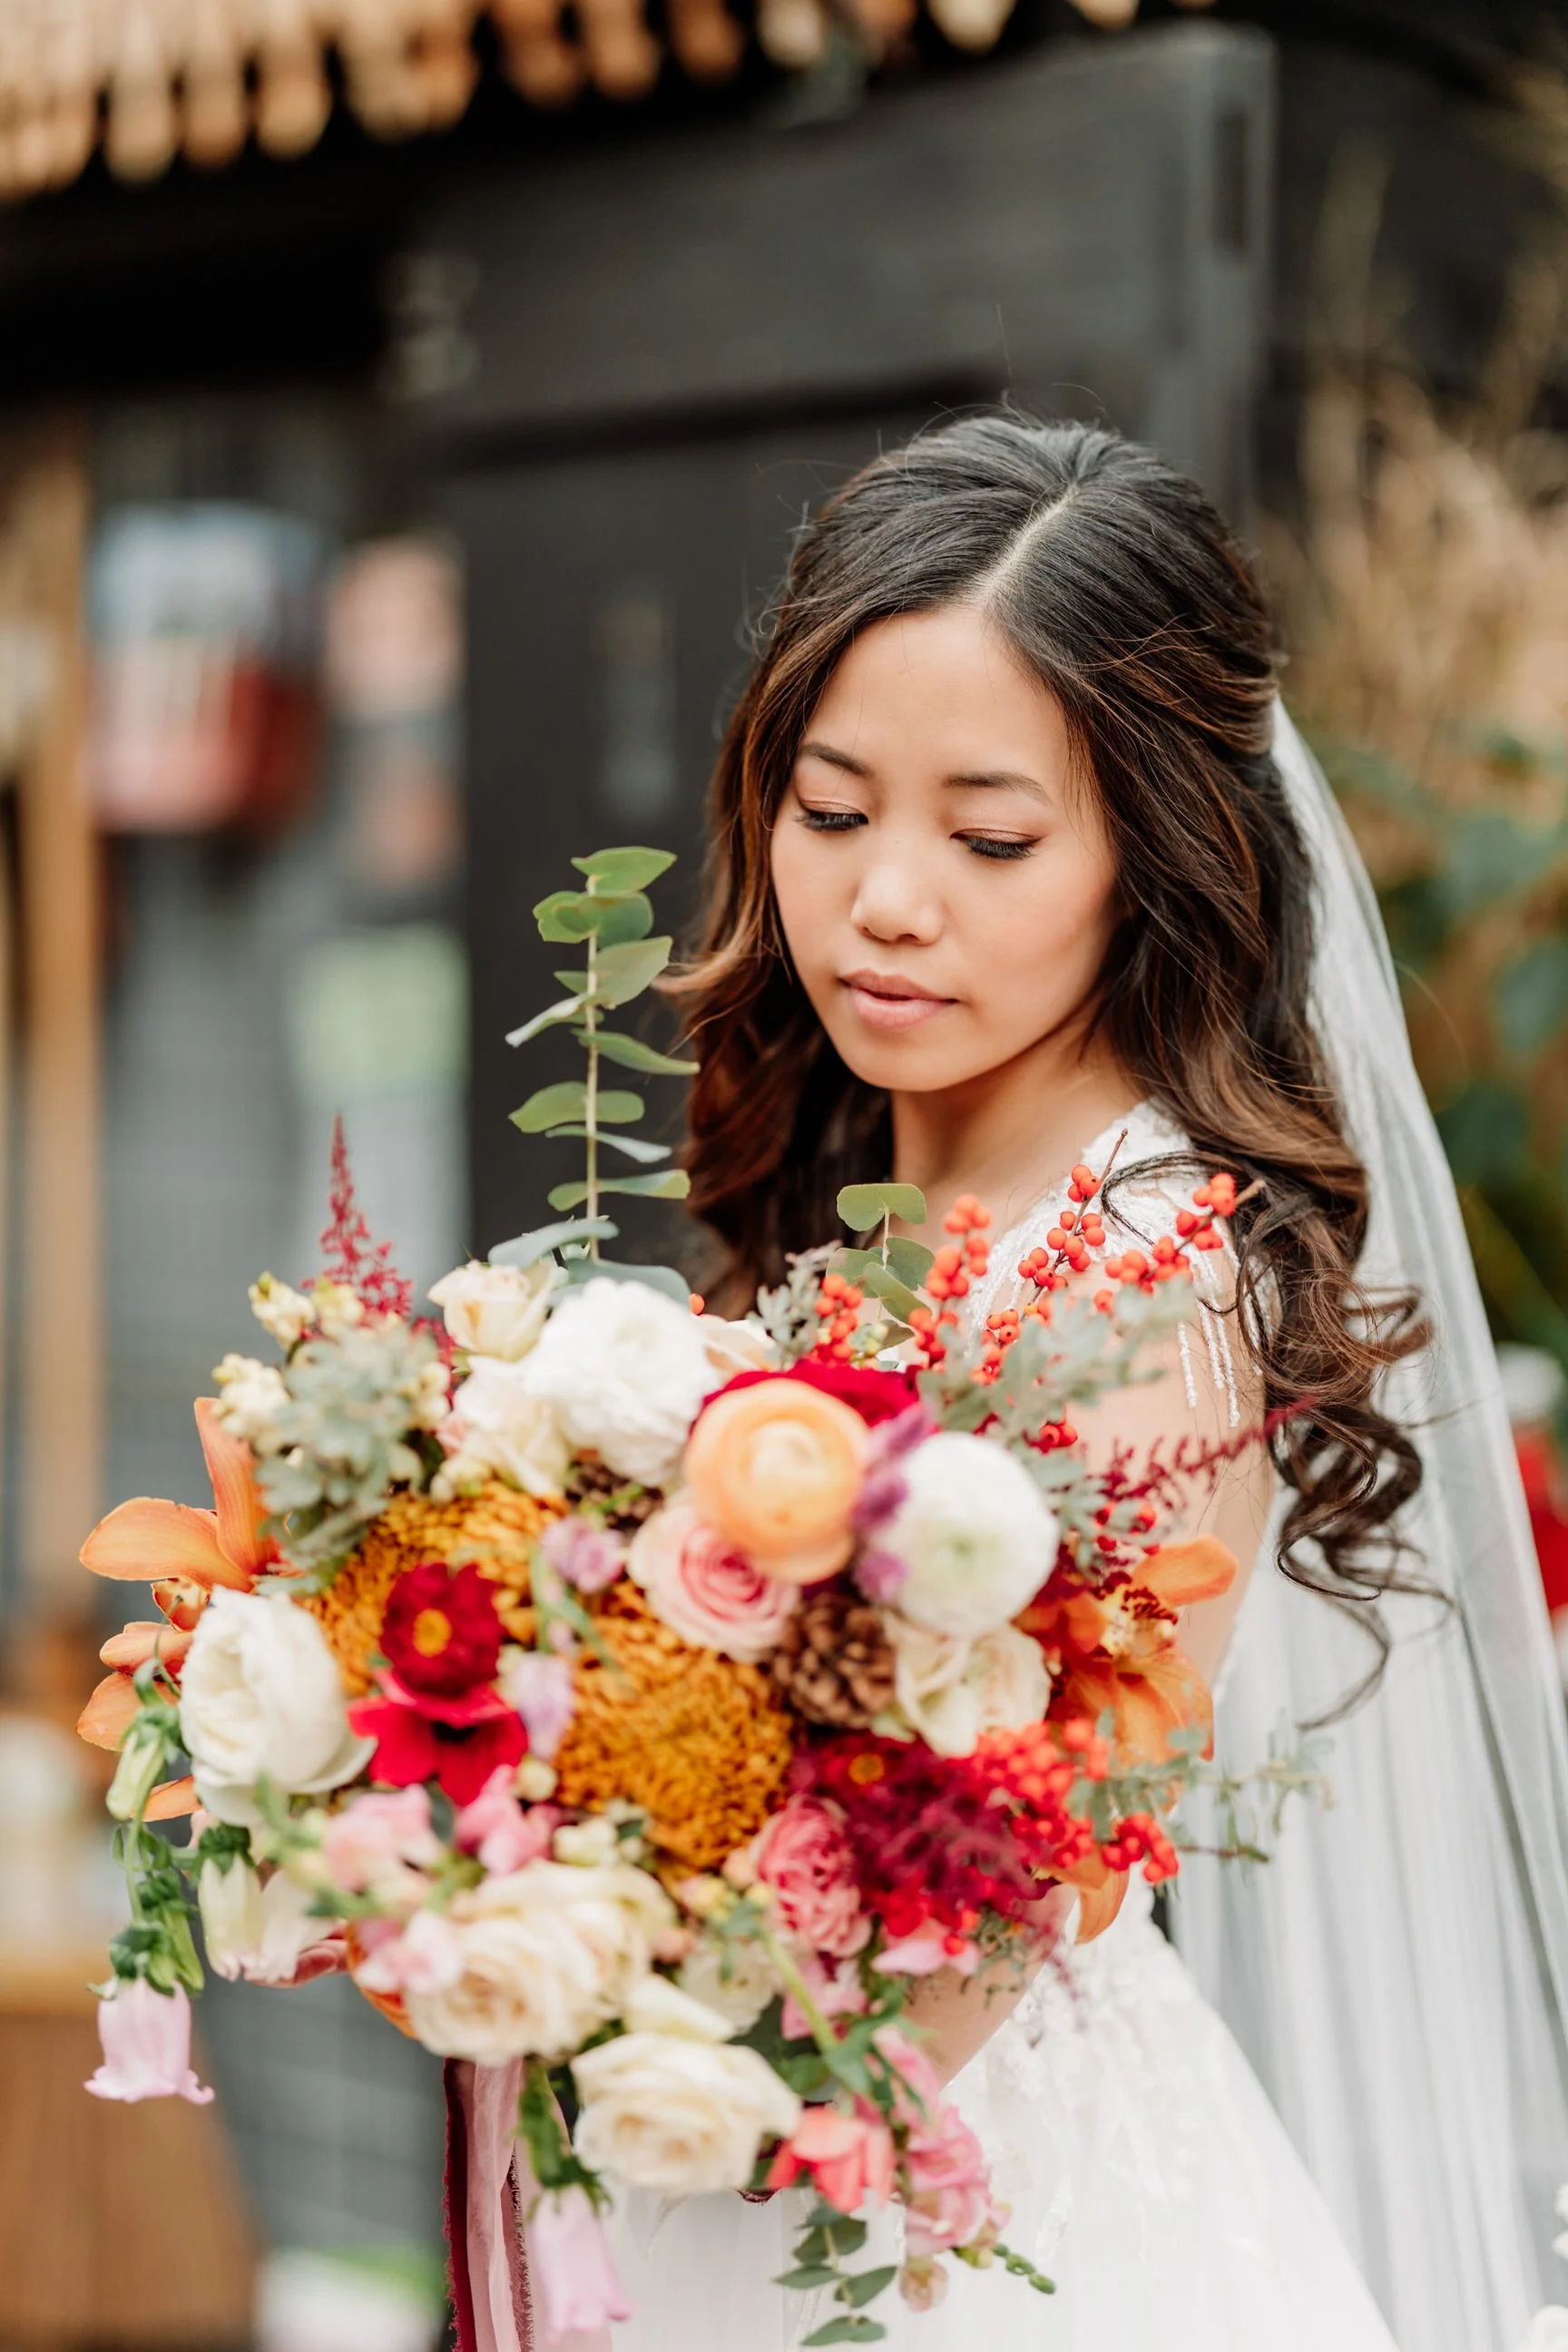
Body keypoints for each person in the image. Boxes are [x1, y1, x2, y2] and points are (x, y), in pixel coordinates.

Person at [588, 416, 1568, 2352]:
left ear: (1156, 851)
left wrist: (592, 2006)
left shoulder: (1149, 1278)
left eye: (991, 836)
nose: (883, 898)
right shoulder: (872, 1151)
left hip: (945, 2199)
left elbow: (1013, 1897)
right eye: (832, 804)